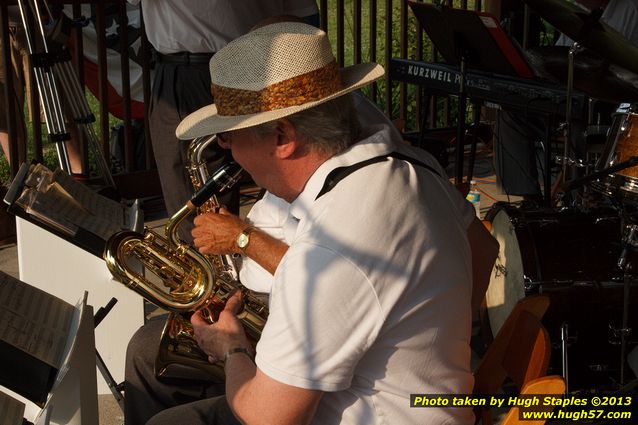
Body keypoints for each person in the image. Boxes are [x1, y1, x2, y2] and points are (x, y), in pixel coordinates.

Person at [123, 21, 500, 425]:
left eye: (230, 136)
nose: (228, 151)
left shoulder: (330, 244)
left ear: (282, 136)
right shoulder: (413, 165)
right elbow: (484, 250)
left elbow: (266, 418)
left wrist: (232, 348)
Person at [125, 0, 319, 241]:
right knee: (276, 172)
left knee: (195, 194)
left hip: (201, 68)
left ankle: (213, 269)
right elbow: (304, 13)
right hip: (262, 59)